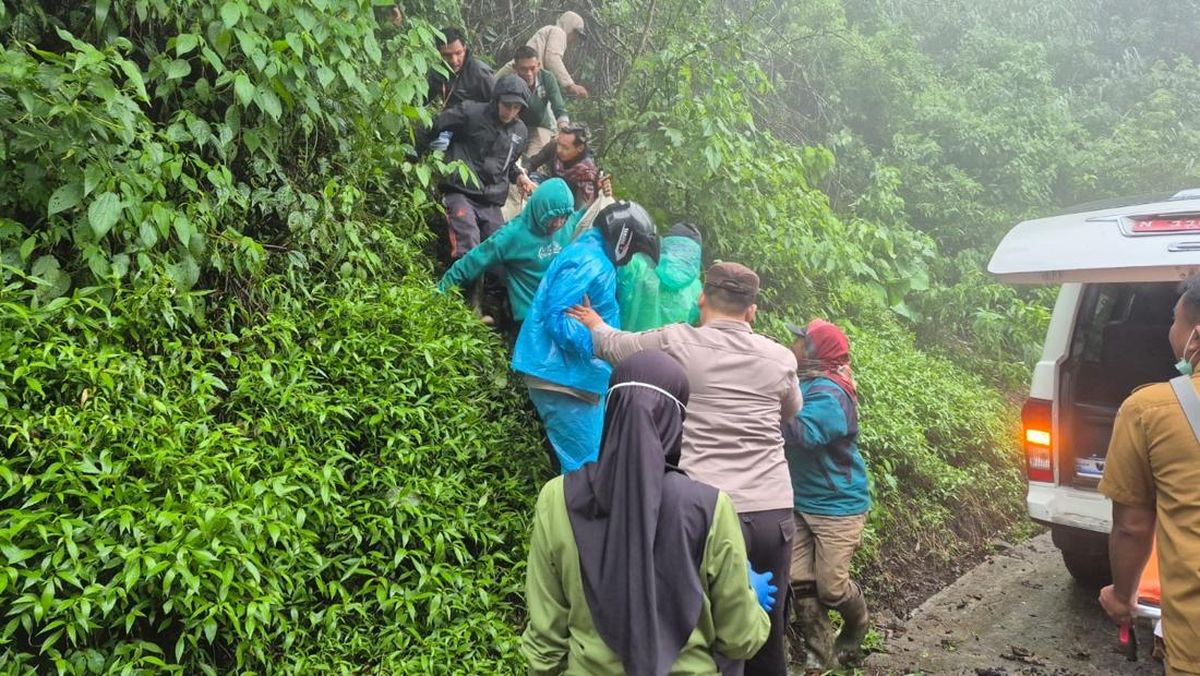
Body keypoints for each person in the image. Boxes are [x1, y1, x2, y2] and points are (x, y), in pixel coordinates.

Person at [567, 261, 802, 676]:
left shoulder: (675, 340)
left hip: (697, 511)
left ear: (701, 299)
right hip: (769, 510)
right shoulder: (781, 358)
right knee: (765, 632)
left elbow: (617, 349)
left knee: (699, 625)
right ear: (752, 311)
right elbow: (790, 412)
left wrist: (595, 322)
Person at [521, 350, 774, 674]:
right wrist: (751, 596)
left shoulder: (557, 498)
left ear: (612, 411)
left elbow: (544, 645)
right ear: (674, 420)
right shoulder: (708, 507)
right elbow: (741, 638)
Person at [1099, 274, 1200, 676]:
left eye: (1174, 320)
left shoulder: (1151, 409)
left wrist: (1123, 596)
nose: (1169, 331)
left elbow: (1133, 527)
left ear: (1194, 336)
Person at [511, 201, 660, 474]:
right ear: (624, 237)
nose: (630, 258)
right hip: (564, 377)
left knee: (588, 464)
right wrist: (598, 344)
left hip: (570, 376)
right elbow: (557, 316)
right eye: (635, 249)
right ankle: (572, 515)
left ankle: (571, 511)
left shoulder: (593, 256)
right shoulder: (591, 261)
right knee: (586, 471)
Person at [782, 320, 871, 670]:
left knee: (832, 589)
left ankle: (857, 623)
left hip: (837, 506)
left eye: (800, 341)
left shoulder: (832, 394)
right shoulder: (807, 382)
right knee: (799, 581)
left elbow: (802, 433)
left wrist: (755, 407)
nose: (793, 344)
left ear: (815, 352)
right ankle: (821, 655)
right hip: (800, 499)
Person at [436, 178, 576, 332]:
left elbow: (587, 218)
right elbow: (473, 261)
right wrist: (438, 293)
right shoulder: (512, 235)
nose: (558, 224)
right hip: (530, 317)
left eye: (563, 218)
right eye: (553, 218)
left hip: (558, 306)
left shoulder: (568, 224)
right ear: (539, 209)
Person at [422, 75, 530, 261]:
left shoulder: (520, 132)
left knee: (498, 254)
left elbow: (508, 164)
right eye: (506, 105)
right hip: (460, 190)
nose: (510, 111)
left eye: (516, 107)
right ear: (497, 99)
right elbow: (434, 124)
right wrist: (420, 154)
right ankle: (459, 288)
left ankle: (487, 290)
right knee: (468, 243)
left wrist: (519, 176)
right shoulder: (470, 112)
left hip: (491, 199)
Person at [617, 222, 704, 332]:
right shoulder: (696, 290)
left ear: (667, 243)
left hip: (624, 343)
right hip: (667, 348)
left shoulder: (639, 266)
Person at [497, 11, 589, 99]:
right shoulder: (559, 32)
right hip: (516, 77)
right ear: (569, 27)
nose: (576, 39)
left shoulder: (551, 31)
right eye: (576, 34)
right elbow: (552, 58)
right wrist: (570, 85)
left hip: (519, 77)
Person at [508, 45, 570, 159]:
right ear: (515, 68)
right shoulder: (508, 82)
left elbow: (558, 106)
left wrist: (564, 128)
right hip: (513, 126)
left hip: (539, 127)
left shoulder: (547, 78)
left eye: (532, 68)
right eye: (524, 69)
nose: (529, 73)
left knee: (534, 158)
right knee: (510, 156)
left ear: (539, 65)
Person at [520, 125, 599, 210]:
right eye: (559, 144)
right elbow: (534, 162)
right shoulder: (554, 146)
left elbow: (584, 205)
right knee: (531, 178)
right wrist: (524, 172)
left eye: (565, 148)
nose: (559, 150)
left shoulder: (587, 171)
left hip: (568, 202)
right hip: (550, 187)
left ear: (580, 148)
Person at [426, 27, 494, 110]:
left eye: (458, 53)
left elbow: (497, 107)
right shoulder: (438, 72)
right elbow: (420, 101)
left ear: (464, 49)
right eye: (447, 55)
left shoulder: (480, 73)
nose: (454, 61)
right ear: (438, 53)